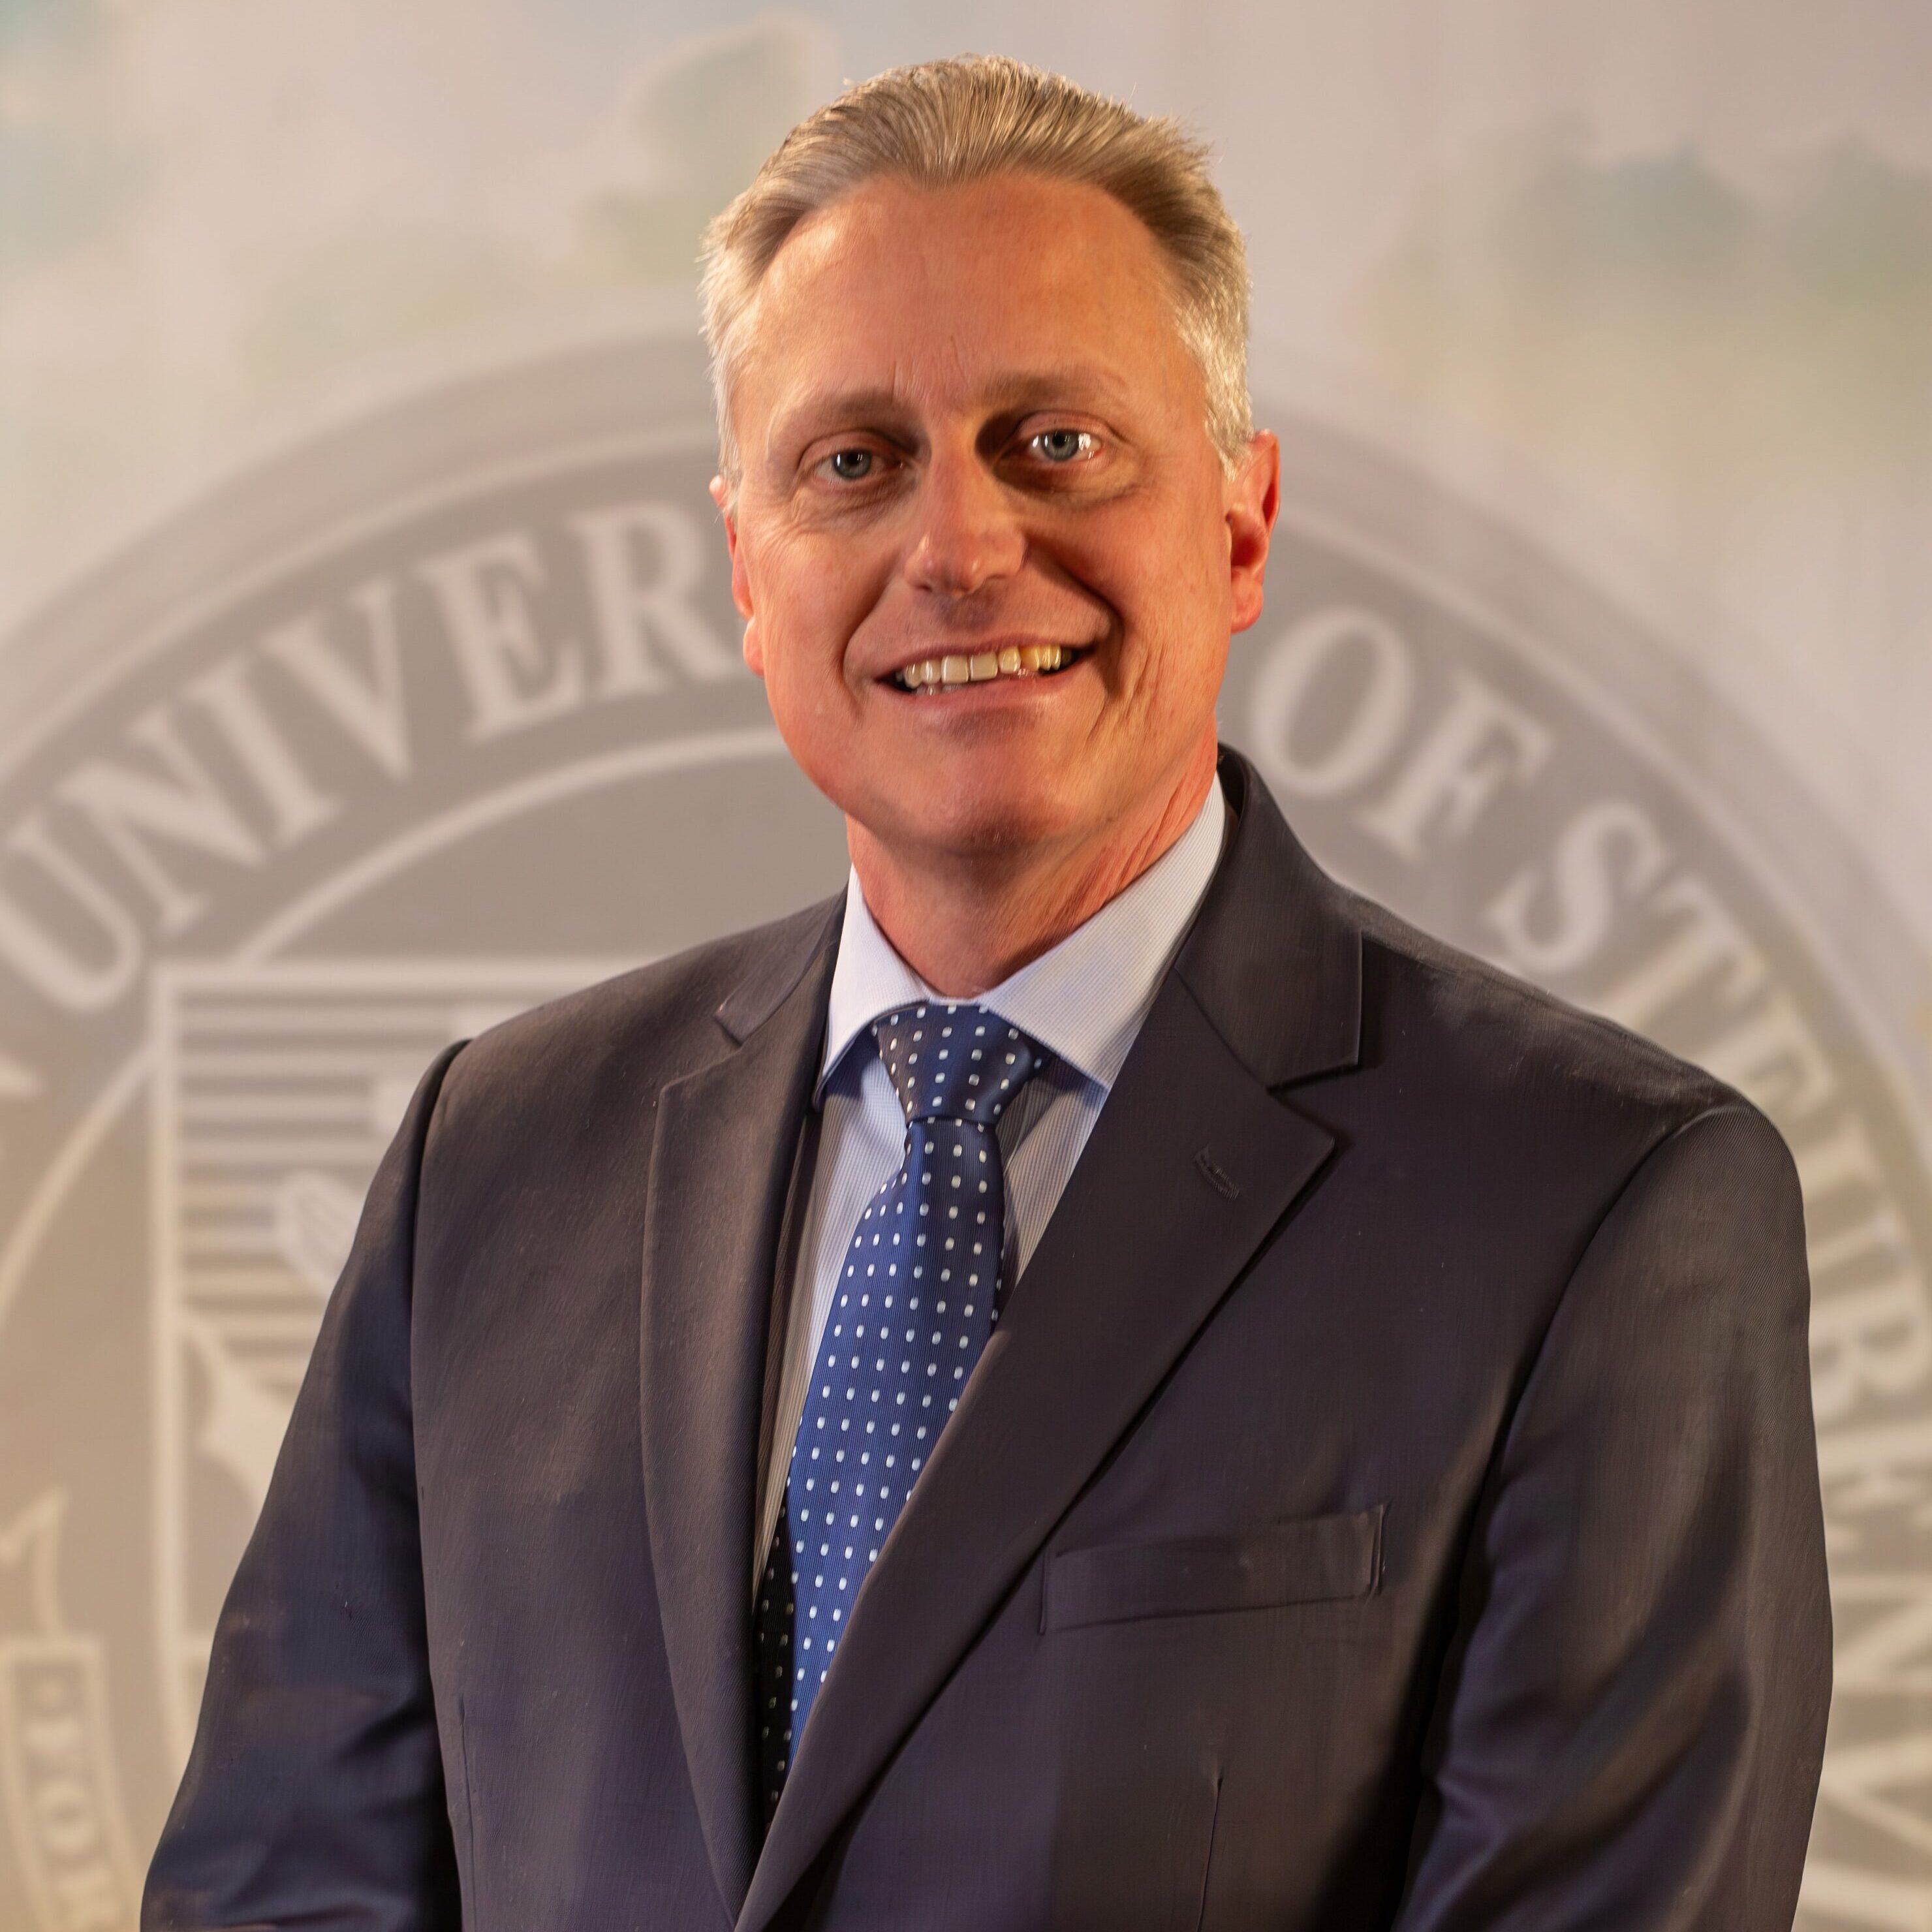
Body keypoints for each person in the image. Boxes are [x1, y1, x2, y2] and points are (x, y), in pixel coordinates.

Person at [144, 54, 1830, 1931]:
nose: (956, 548)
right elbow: (276, 1897)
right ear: (747, 570)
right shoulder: (495, 1159)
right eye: (853, 463)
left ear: (1243, 522)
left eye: (1056, 442)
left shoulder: (1597, 1210)